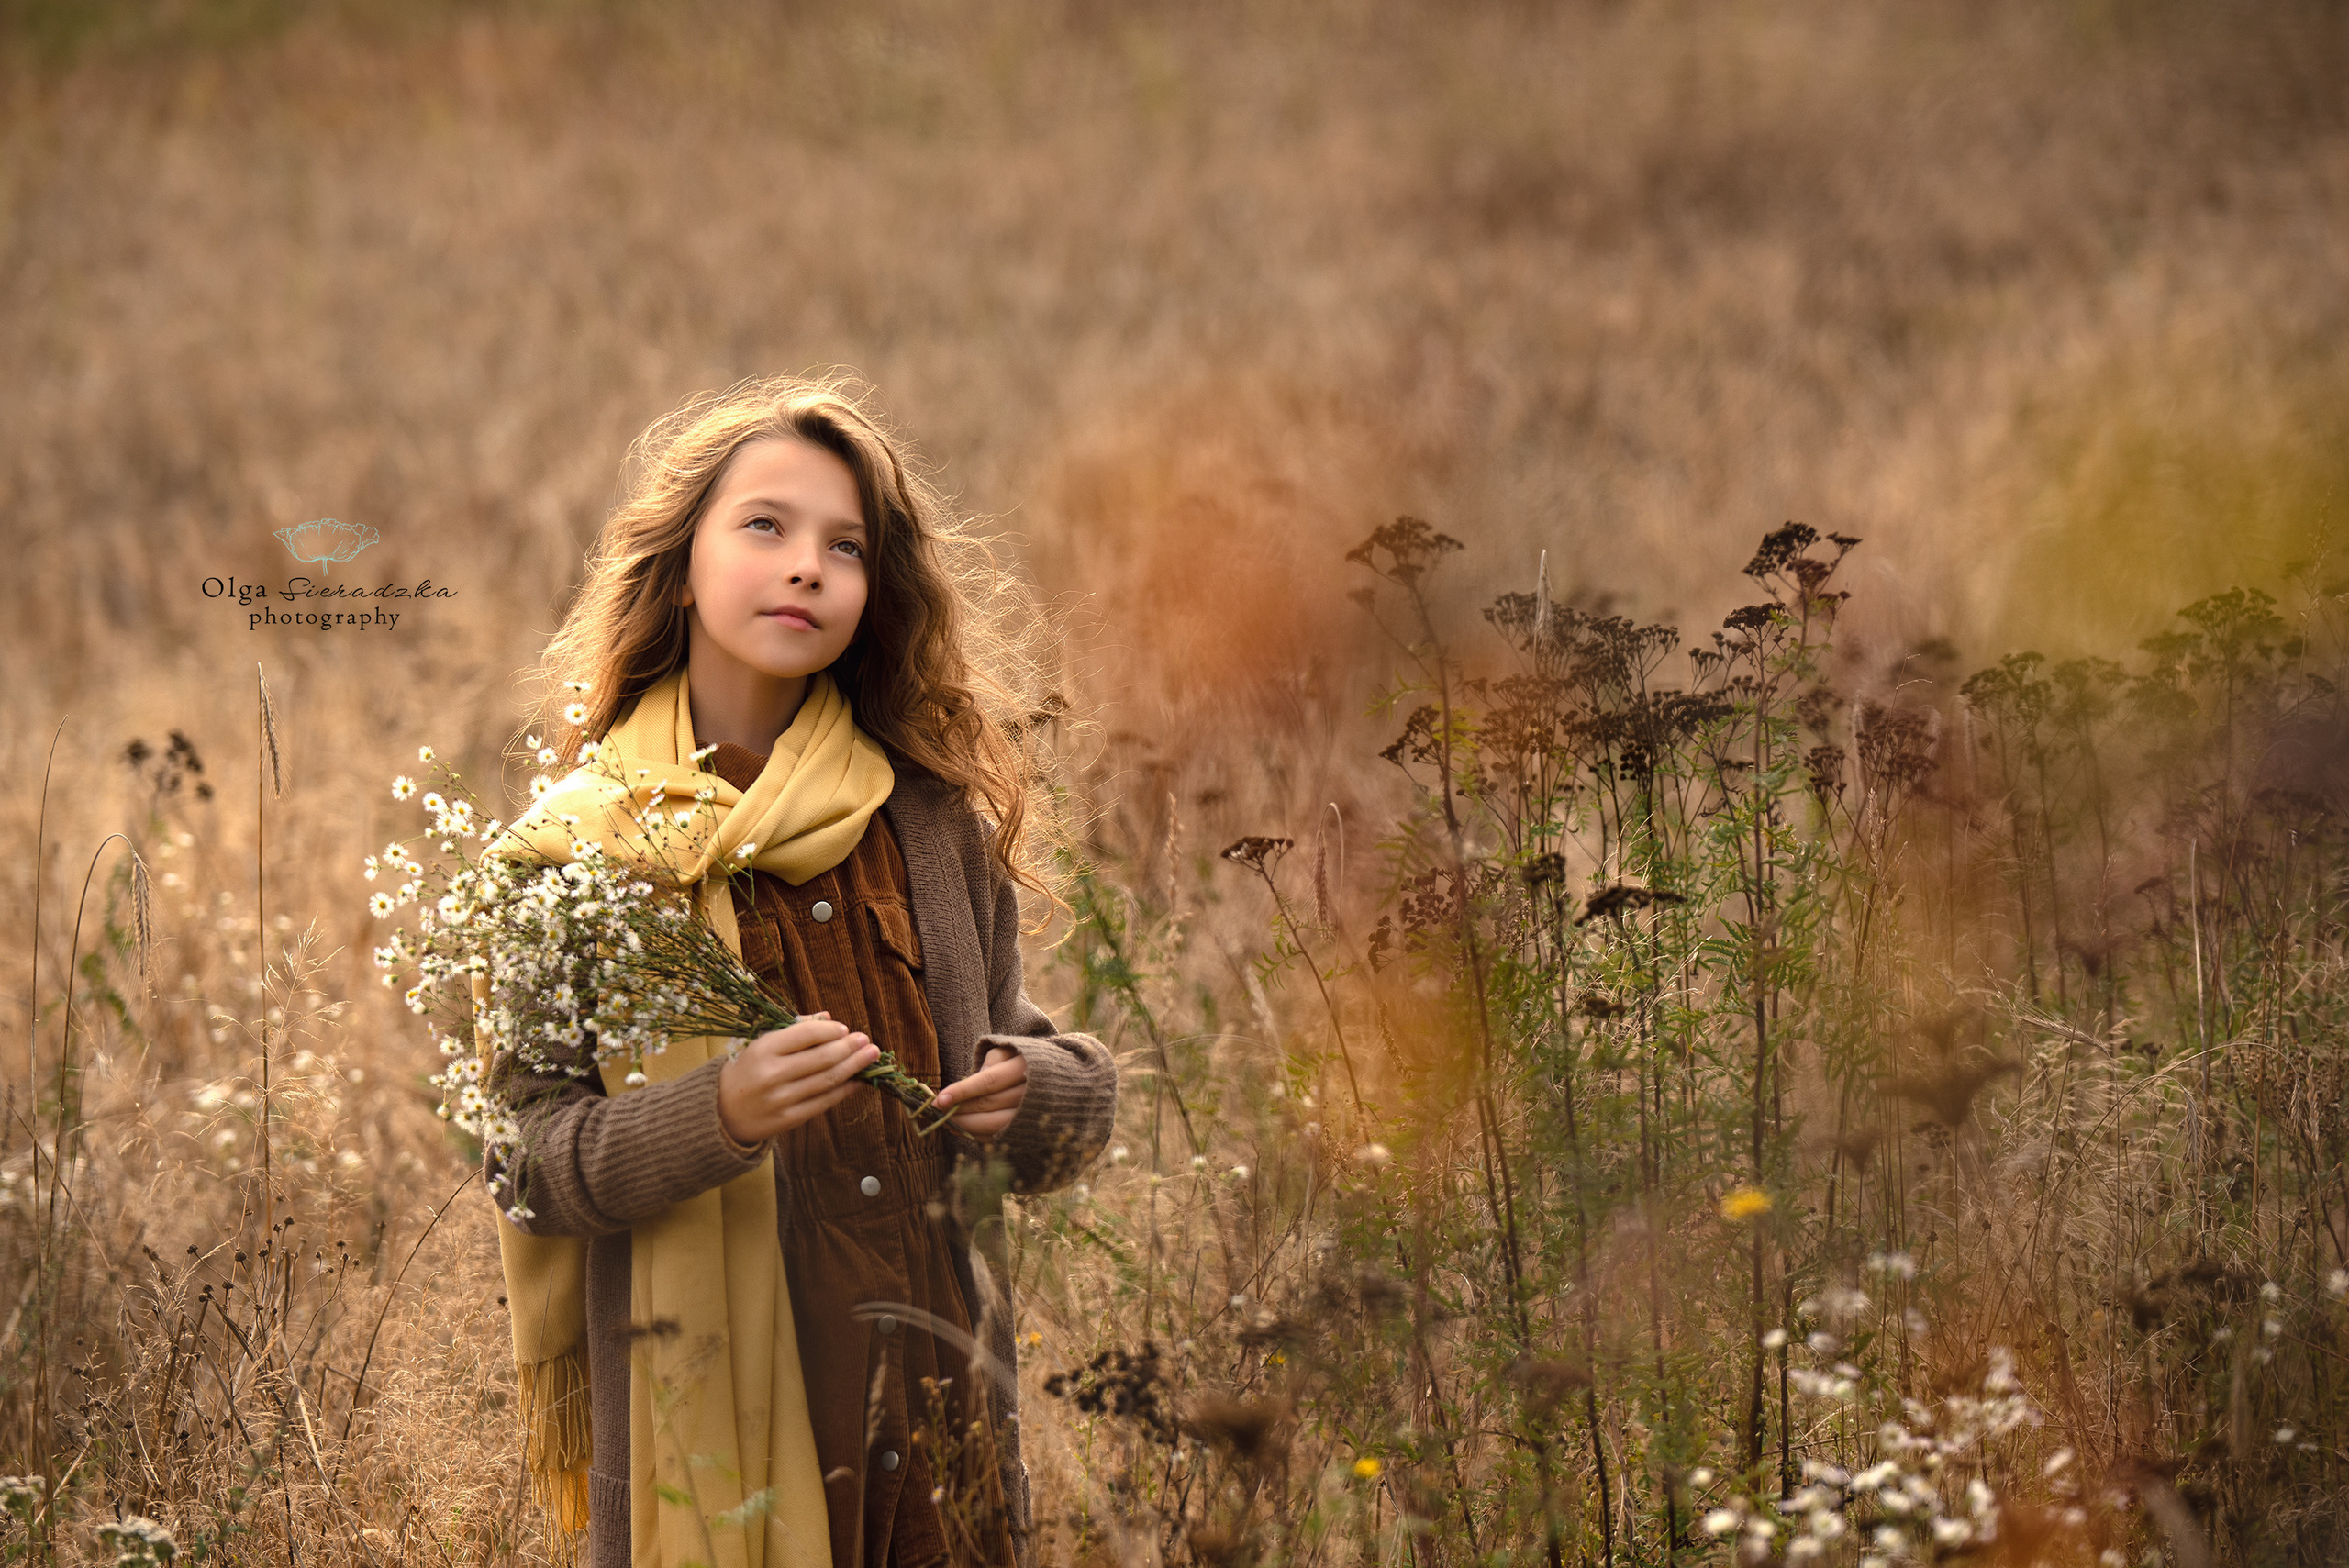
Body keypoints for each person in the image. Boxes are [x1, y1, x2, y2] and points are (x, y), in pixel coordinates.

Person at [476, 373, 1117, 1568]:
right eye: (765, 525)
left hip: (942, 1429)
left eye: (846, 546)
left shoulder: (929, 820)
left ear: (876, 596)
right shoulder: (574, 857)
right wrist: (713, 1113)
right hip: (720, 1451)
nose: (807, 565)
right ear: (681, 566)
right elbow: (524, 1162)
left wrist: (1044, 1090)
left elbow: (1032, 1050)